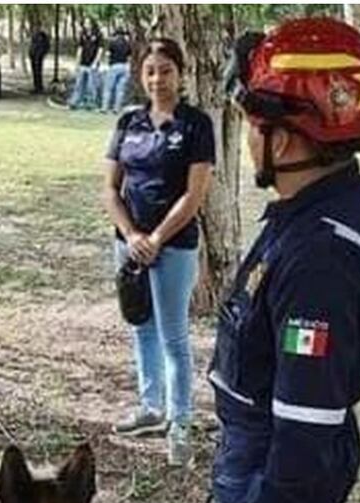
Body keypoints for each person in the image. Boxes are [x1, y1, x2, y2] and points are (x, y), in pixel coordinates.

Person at [210, 18, 360, 503]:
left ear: (288, 137)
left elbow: (306, 419)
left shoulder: (322, 255)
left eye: (252, 123)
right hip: (267, 452)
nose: (247, 139)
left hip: (276, 465)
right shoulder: (320, 210)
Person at [102, 39, 214, 466]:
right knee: (140, 326)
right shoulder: (128, 121)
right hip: (128, 244)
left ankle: (180, 420)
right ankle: (151, 407)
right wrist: (131, 235)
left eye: (165, 70)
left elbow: (193, 195)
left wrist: (157, 239)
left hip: (174, 246)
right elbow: (111, 188)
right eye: (150, 71)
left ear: (180, 74)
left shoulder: (196, 124)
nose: (157, 79)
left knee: (173, 335)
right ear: (140, 74)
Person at [68, 21, 103, 110]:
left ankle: (91, 103)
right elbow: (80, 49)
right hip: (83, 63)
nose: (86, 24)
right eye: (85, 23)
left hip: (92, 64)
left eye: (88, 23)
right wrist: (77, 62)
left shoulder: (98, 34)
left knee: (91, 85)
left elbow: (100, 50)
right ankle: (75, 102)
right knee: (79, 84)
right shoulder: (83, 34)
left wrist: (96, 62)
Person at [100, 27, 132, 114]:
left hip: (114, 66)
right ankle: (116, 109)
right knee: (120, 90)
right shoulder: (127, 44)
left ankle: (104, 108)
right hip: (124, 66)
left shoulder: (112, 43)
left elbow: (107, 55)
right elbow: (129, 58)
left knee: (108, 88)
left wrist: (107, 65)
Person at [28, 26, 50, 94]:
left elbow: (46, 46)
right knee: (35, 72)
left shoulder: (42, 35)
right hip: (33, 56)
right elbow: (32, 45)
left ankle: (39, 87)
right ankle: (36, 87)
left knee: (38, 72)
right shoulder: (34, 35)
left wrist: (41, 54)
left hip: (38, 56)